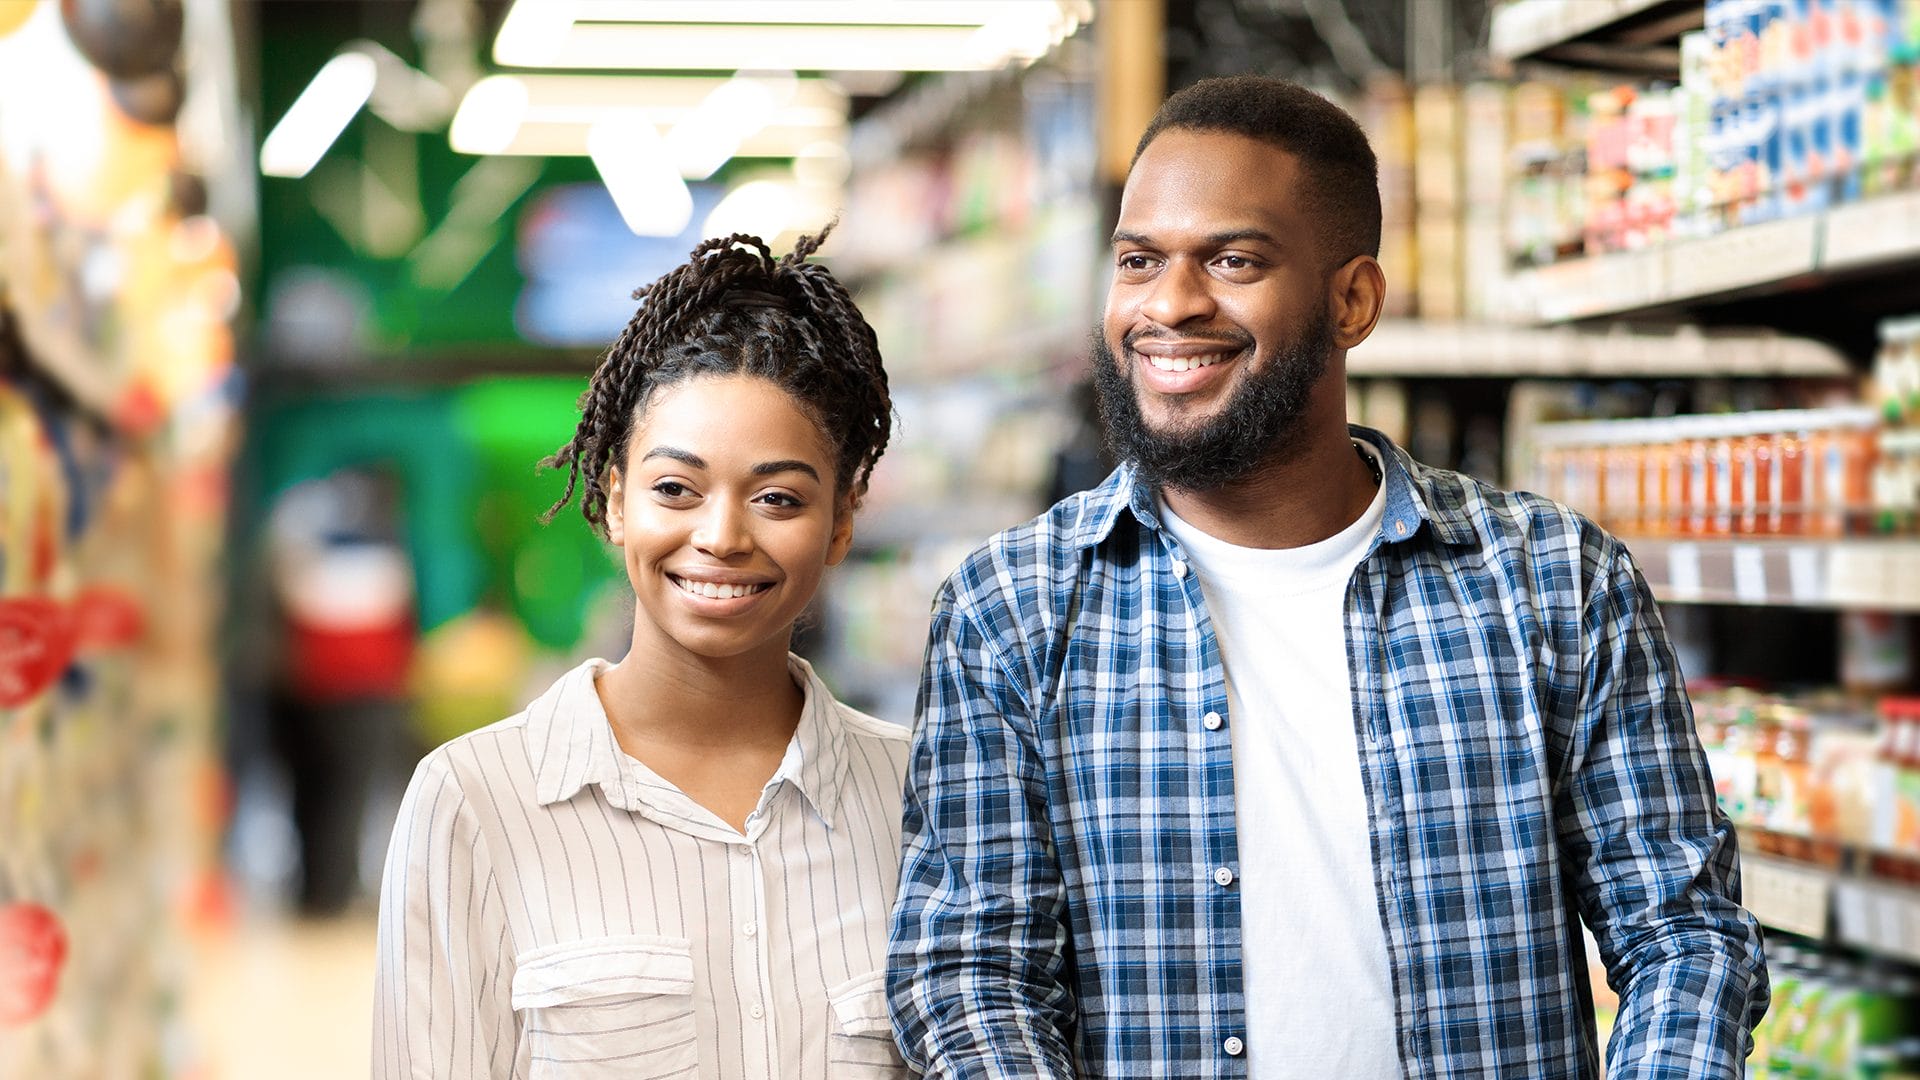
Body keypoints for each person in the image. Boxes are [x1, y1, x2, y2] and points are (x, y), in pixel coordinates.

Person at [887, 76, 1768, 1079]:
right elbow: (970, 974)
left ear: (1353, 300)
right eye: (1139, 262)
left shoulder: (1556, 585)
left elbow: (1686, 940)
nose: (1169, 304)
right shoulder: (1012, 611)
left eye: (1233, 259)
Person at [373, 229, 914, 1080]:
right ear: (616, 499)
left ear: (843, 519)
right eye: (676, 489)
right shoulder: (475, 803)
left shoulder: (922, 801)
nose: (722, 536)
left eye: (778, 496)